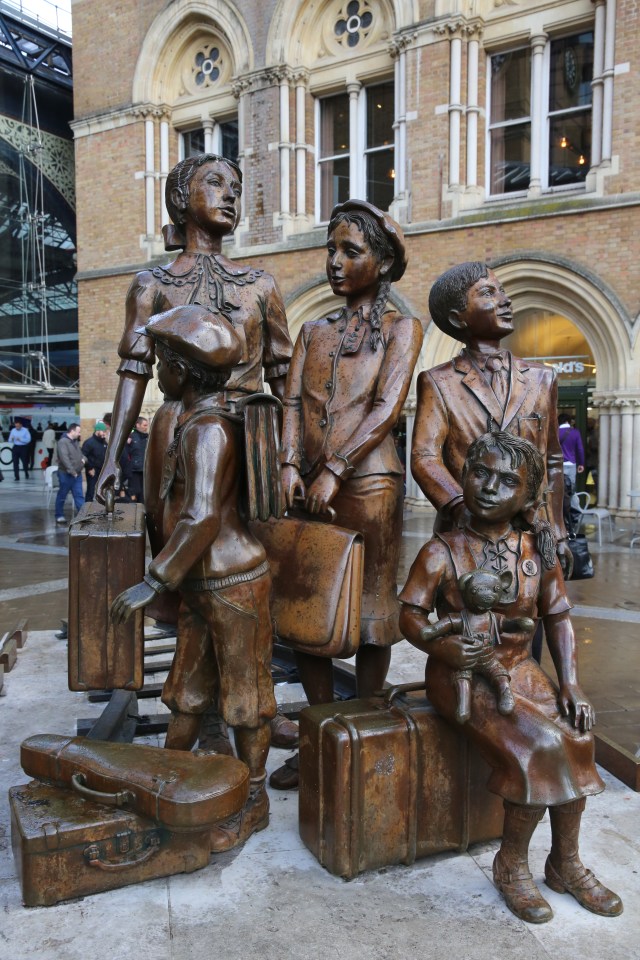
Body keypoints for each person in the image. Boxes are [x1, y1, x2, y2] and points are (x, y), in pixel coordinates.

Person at [95, 153, 295, 749]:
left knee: (234, 554)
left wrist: (288, 456)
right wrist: (111, 453)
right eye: (216, 184)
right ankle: (206, 713)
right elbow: (134, 369)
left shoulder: (259, 284)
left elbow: (283, 376)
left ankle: (241, 703)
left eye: (237, 188)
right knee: (191, 554)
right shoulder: (152, 284)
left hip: (243, 430)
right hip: (177, 429)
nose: (231, 196)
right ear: (181, 199)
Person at [399, 431, 622, 924]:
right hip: (459, 672)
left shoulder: (534, 549)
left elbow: (558, 617)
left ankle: (565, 863)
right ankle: (511, 864)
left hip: (520, 668)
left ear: (527, 497)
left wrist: (570, 682)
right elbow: (410, 616)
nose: (488, 487)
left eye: (507, 481)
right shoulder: (443, 551)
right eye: (480, 472)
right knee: (538, 744)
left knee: (578, 738)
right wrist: (443, 644)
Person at [110, 305, 276, 853]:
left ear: (183, 368)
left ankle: (255, 799)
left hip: (232, 583)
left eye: (162, 362)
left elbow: (202, 517)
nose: (157, 371)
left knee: (245, 698)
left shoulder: (208, 428)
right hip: (201, 587)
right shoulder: (186, 416)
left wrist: (154, 581)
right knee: (185, 691)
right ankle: (167, 781)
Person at [272, 199, 423, 789]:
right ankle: (319, 734)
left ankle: (363, 727)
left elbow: (387, 406)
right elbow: (289, 403)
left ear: (382, 263)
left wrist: (334, 466)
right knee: (305, 606)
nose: (334, 262)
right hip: (306, 482)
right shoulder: (313, 330)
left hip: (369, 483)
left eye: (350, 251)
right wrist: (289, 463)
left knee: (370, 610)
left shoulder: (400, 328)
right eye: (330, 250)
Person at [411, 262, 571, 577]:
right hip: (464, 536)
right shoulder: (438, 381)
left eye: (503, 292)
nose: (505, 301)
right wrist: (460, 507)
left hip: (531, 535)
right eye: (488, 293)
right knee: (465, 623)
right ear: (458, 317)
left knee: (534, 620)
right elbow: (424, 456)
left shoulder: (542, 379)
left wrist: (558, 529)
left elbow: (551, 459)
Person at [419, 568, 534, 724]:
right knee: (462, 679)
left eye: (494, 590)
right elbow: (448, 623)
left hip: (489, 660)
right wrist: (433, 630)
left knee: (500, 675)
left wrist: (520, 623)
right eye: (477, 590)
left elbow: (507, 625)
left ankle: (505, 695)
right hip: (467, 660)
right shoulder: (462, 618)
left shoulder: (494, 618)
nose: (487, 595)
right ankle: (463, 705)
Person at [55, 424, 85, 522]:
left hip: (77, 474)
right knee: (62, 495)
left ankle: (83, 516)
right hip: (66, 474)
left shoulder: (75, 442)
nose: (79, 433)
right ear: (72, 431)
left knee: (79, 496)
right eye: (78, 431)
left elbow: (81, 455)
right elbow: (65, 458)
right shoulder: (62, 442)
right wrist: (72, 471)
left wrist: (84, 459)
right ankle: (59, 515)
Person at [123, 416, 149, 502]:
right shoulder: (131, 437)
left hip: (145, 470)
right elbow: (125, 454)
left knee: (144, 494)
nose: (146, 427)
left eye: (147, 425)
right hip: (134, 471)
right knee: (135, 493)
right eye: (144, 425)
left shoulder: (148, 438)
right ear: (138, 425)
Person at [81, 421, 109, 502]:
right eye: (103, 431)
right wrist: (89, 468)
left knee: (102, 492)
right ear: (97, 431)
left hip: (103, 471)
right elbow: (83, 457)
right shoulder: (89, 443)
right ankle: (87, 509)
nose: (104, 433)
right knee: (91, 491)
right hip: (93, 471)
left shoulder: (104, 442)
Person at [558, 413, 585, 493]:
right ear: (568, 421)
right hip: (570, 463)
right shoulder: (575, 432)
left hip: (557, 465)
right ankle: (572, 505)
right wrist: (581, 463)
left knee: (557, 490)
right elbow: (580, 449)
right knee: (571, 490)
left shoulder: (555, 432)